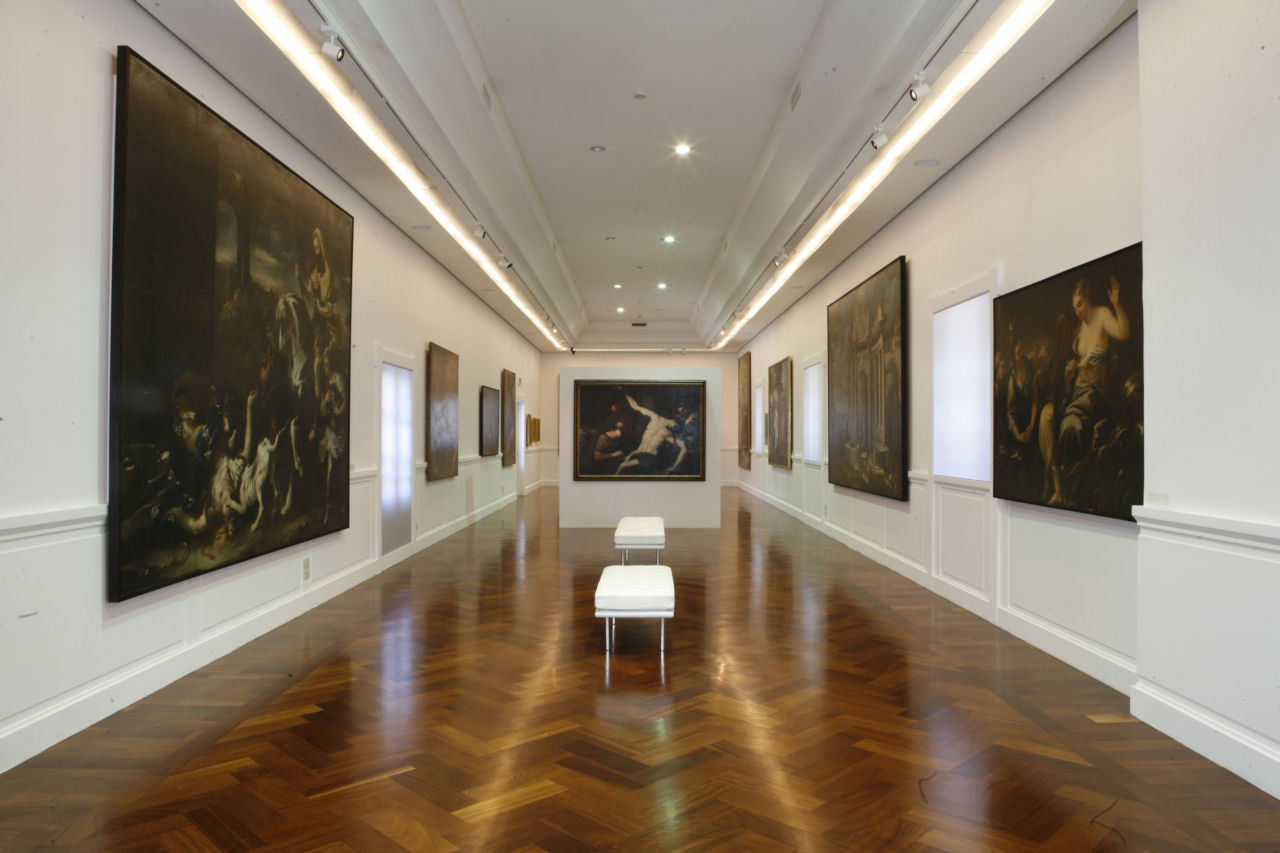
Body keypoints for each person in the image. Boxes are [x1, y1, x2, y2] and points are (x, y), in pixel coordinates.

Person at [1039, 275, 1130, 505]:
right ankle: (1059, 489)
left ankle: (1074, 494)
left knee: (1071, 424)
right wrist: (1071, 370)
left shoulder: (1102, 315)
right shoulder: (1079, 330)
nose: (1078, 310)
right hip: (1077, 392)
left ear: (1088, 299)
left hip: (1097, 392)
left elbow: (1123, 333)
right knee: (1048, 416)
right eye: (1075, 307)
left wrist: (1116, 304)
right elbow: (1075, 368)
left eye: (1080, 304)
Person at [616, 395, 685, 474]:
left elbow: (684, 447)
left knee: (624, 467)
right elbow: (635, 406)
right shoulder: (657, 418)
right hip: (642, 454)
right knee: (622, 465)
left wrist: (674, 467)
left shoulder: (668, 426)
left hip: (649, 460)